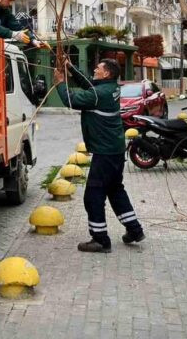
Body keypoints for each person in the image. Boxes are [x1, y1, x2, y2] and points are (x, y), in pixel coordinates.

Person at [53, 58, 145, 253]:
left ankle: (100, 239)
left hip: (105, 153)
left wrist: (60, 83)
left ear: (107, 74)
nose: (95, 69)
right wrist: (71, 68)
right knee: (115, 190)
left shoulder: (99, 94)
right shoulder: (110, 88)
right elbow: (89, 84)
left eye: (98, 68)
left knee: (93, 195)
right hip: (115, 151)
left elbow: (73, 100)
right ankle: (135, 230)